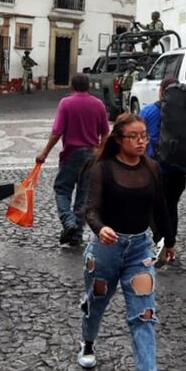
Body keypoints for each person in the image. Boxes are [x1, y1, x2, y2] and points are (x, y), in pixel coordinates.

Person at [77, 113, 180, 371]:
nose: (141, 141)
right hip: (105, 251)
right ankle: (87, 342)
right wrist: (100, 228)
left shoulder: (152, 168)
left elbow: (161, 207)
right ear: (118, 140)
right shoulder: (103, 169)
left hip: (140, 251)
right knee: (95, 303)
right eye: (134, 136)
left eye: (144, 135)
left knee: (144, 315)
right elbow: (90, 209)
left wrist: (169, 240)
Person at [36, 73, 109, 246]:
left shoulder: (66, 103)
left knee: (62, 189)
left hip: (71, 154)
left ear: (72, 87)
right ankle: (76, 236)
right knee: (83, 195)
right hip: (92, 154)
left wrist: (45, 152)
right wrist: (100, 150)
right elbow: (105, 132)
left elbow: (57, 132)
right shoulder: (98, 104)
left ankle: (69, 222)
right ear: (89, 87)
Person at [140, 77, 186, 267]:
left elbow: (137, 133)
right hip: (180, 168)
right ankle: (171, 244)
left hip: (156, 168)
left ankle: (161, 239)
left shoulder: (150, 111)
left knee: (154, 206)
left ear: (162, 91)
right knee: (171, 206)